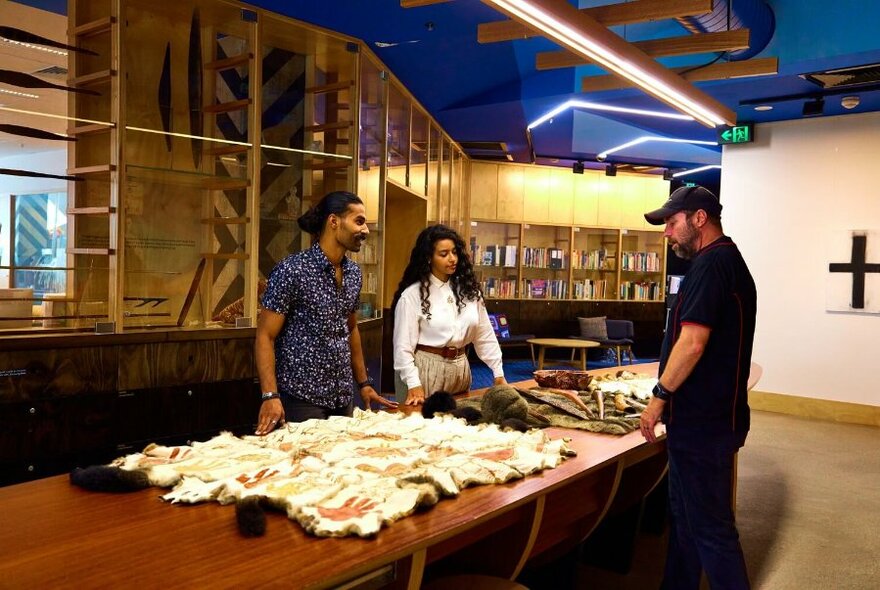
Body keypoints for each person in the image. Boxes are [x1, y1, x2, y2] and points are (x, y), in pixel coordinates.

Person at [640, 185, 757, 590]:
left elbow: (692, 343)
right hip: (703, 422)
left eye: (672, 223)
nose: (667, 233)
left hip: (704, 426)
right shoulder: (725, 261)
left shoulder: (712, 266)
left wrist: (658, 398)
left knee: (710, 530)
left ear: (699, 219)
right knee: (687, 525)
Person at [255, 191, 396, 434]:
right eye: (359, 221)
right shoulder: (292, 270)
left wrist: (364, 383)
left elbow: (350, 328)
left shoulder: (353, 273)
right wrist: (270, 395)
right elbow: (265, 336)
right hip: (301, 398)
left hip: (342, 397)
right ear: (334, 222)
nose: (366, 231)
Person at [392, 224, 506, 406]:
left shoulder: (469, 291)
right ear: (429, 258)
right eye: (443, 254)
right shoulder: (412, 296)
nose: (452, 259)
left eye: (454, 252)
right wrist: (414, 384)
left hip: (461, 367)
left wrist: (498, 373)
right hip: (426, 369)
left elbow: (485, 335)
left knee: (459, 427)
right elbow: (402, 347)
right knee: (424, 429)